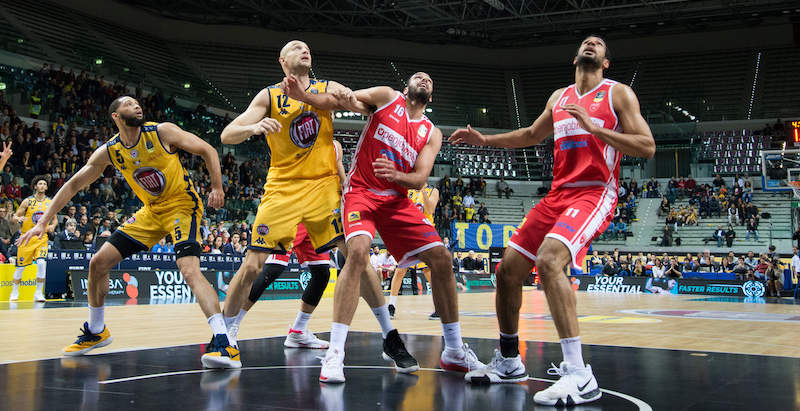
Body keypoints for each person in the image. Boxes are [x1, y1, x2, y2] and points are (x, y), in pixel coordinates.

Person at [450, 35, 655, 406]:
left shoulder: (617, 94)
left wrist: (597, 129)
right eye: (586, 41)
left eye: (599, 44)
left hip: (594, 192)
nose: (591, 44)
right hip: (557, 195)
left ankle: (579, 373)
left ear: (605, 62)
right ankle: (510, 360)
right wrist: (486, 141)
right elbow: (530, 134)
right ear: (575, 56)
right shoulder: (558, 98)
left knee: (547, 261)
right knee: (507, 271)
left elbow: (647, 145)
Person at [218, 40, 411, 372]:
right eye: (296, 47)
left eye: (308, 47)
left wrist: (351, 97)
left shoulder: (325, 87)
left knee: (357, 257)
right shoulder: (269, 96)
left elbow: (349, 98)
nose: (304, 50)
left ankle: (389, 336)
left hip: (323, 188)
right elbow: (227, 134)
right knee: (253, 265)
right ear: (282, 61)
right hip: (283, 189)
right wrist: (253, 126)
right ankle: (225, 338)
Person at [17, 96, 236, 367]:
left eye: (137, 103)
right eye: (129, 104)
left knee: (189, 269)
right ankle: (96, 331)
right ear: (116, 116)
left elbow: (208, 150)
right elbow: (73, 184)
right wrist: (43, 221)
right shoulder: (110, 150)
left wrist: (217, 186)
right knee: (98, 263)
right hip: (151, 212)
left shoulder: (161, 131)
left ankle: (225, 342)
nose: (137, 106)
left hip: (182, 206)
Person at [319, 71, 484, 383]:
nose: (424, 79)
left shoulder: (431, 132)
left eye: (429, 80)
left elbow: (420, 177)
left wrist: (397, 175)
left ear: (430, 97)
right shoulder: (386, 97)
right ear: (406, 87)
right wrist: (329, 95)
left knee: (442, 259)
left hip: (396, 199)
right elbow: (350, 98)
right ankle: (335, 353)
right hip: (361, 193)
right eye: (418, 77)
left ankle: (453, 350)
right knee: (357, 253)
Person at [230, 140, 349, 348]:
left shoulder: (334, 146)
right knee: (272, 269)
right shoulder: (296, 136)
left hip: (318, 214)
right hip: (292, 209)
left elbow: (341, 178)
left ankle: (298, 330)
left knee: (322, 273)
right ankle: (231, 327)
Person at [389, 183, 440, 319]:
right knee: (400, 270)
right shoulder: (408, 191)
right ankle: (391, 306)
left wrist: (423, 191)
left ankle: (439, 307)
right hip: (409, 233)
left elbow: (430, 210)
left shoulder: (433, 191)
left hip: (425, 233)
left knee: (428, 273)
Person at [11, 176, 57, 302]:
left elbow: (55, 219)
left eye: (44, 184)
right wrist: (18, 219)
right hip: (26, 237)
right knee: (20, 267)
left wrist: (53, 226)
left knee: (42, 263)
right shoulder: (27, 201)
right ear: (35, 186)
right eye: (39, 184)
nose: (42, 185)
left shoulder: (50, 202)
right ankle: (14, 291)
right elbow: (14, 216)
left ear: (47, 187)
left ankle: (38, 293)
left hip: (41, 238)